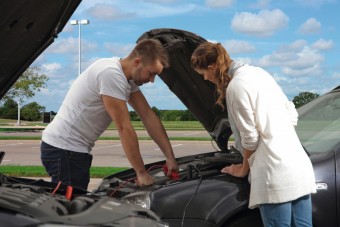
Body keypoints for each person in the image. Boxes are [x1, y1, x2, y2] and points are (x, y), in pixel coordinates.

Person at [191, 42, 316, 227]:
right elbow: (291, 113)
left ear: (212, 67)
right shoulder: (260, 74)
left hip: (273, 174)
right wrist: (277, 135)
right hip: (298, 167)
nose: (206, 79)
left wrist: (242, 169)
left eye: (203, 74)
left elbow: (250, 138)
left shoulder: (236, 86)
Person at [41, 39, 178, 190]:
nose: (152, 80)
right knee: (69, 208)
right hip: (64, 149)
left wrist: (170, 157)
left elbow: (147, 115)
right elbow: (124, 127)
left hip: (72, 151)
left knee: (75, 205)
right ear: (137, 62)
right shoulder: (110, 74)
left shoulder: (126, 77)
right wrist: (141, 173)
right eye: (151, 73)